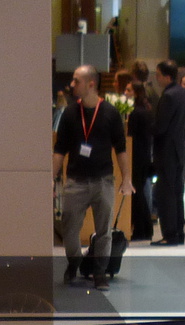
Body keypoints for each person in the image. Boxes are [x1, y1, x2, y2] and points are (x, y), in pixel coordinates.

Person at [53, 64, 130, 287]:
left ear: (91, 84)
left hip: (103, 180)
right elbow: (60, 150)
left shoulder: (111, 113)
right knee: (70, 228)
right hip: (75, 181)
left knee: (104, 230)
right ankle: (74, 262)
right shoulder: (69, 113)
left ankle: (99, 271)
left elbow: (121, 149)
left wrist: (126, 178)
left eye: (76, 81)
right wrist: (51, 177)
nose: (72, 84)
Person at [151, 59, 185, 246]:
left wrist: (148, 129)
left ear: (167, 76)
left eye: (158, 75)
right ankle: (178, 233)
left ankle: (170, 234)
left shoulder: (168, 96)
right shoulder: (182, 92)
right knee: (177, 193)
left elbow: (160, 126)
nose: (157, 78)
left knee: (165, 194)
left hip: (166, 150)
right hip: (179, 149)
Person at [127, 77, 154, 242]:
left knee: (137, 194)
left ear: (136, 93)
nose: (126, 93)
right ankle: (144, 228)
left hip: (137, 156)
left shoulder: (136, 113)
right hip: (143, 155)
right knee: (140, 192)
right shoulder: (145, 110)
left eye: (129, 90)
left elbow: (131, 137)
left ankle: (141, 229)